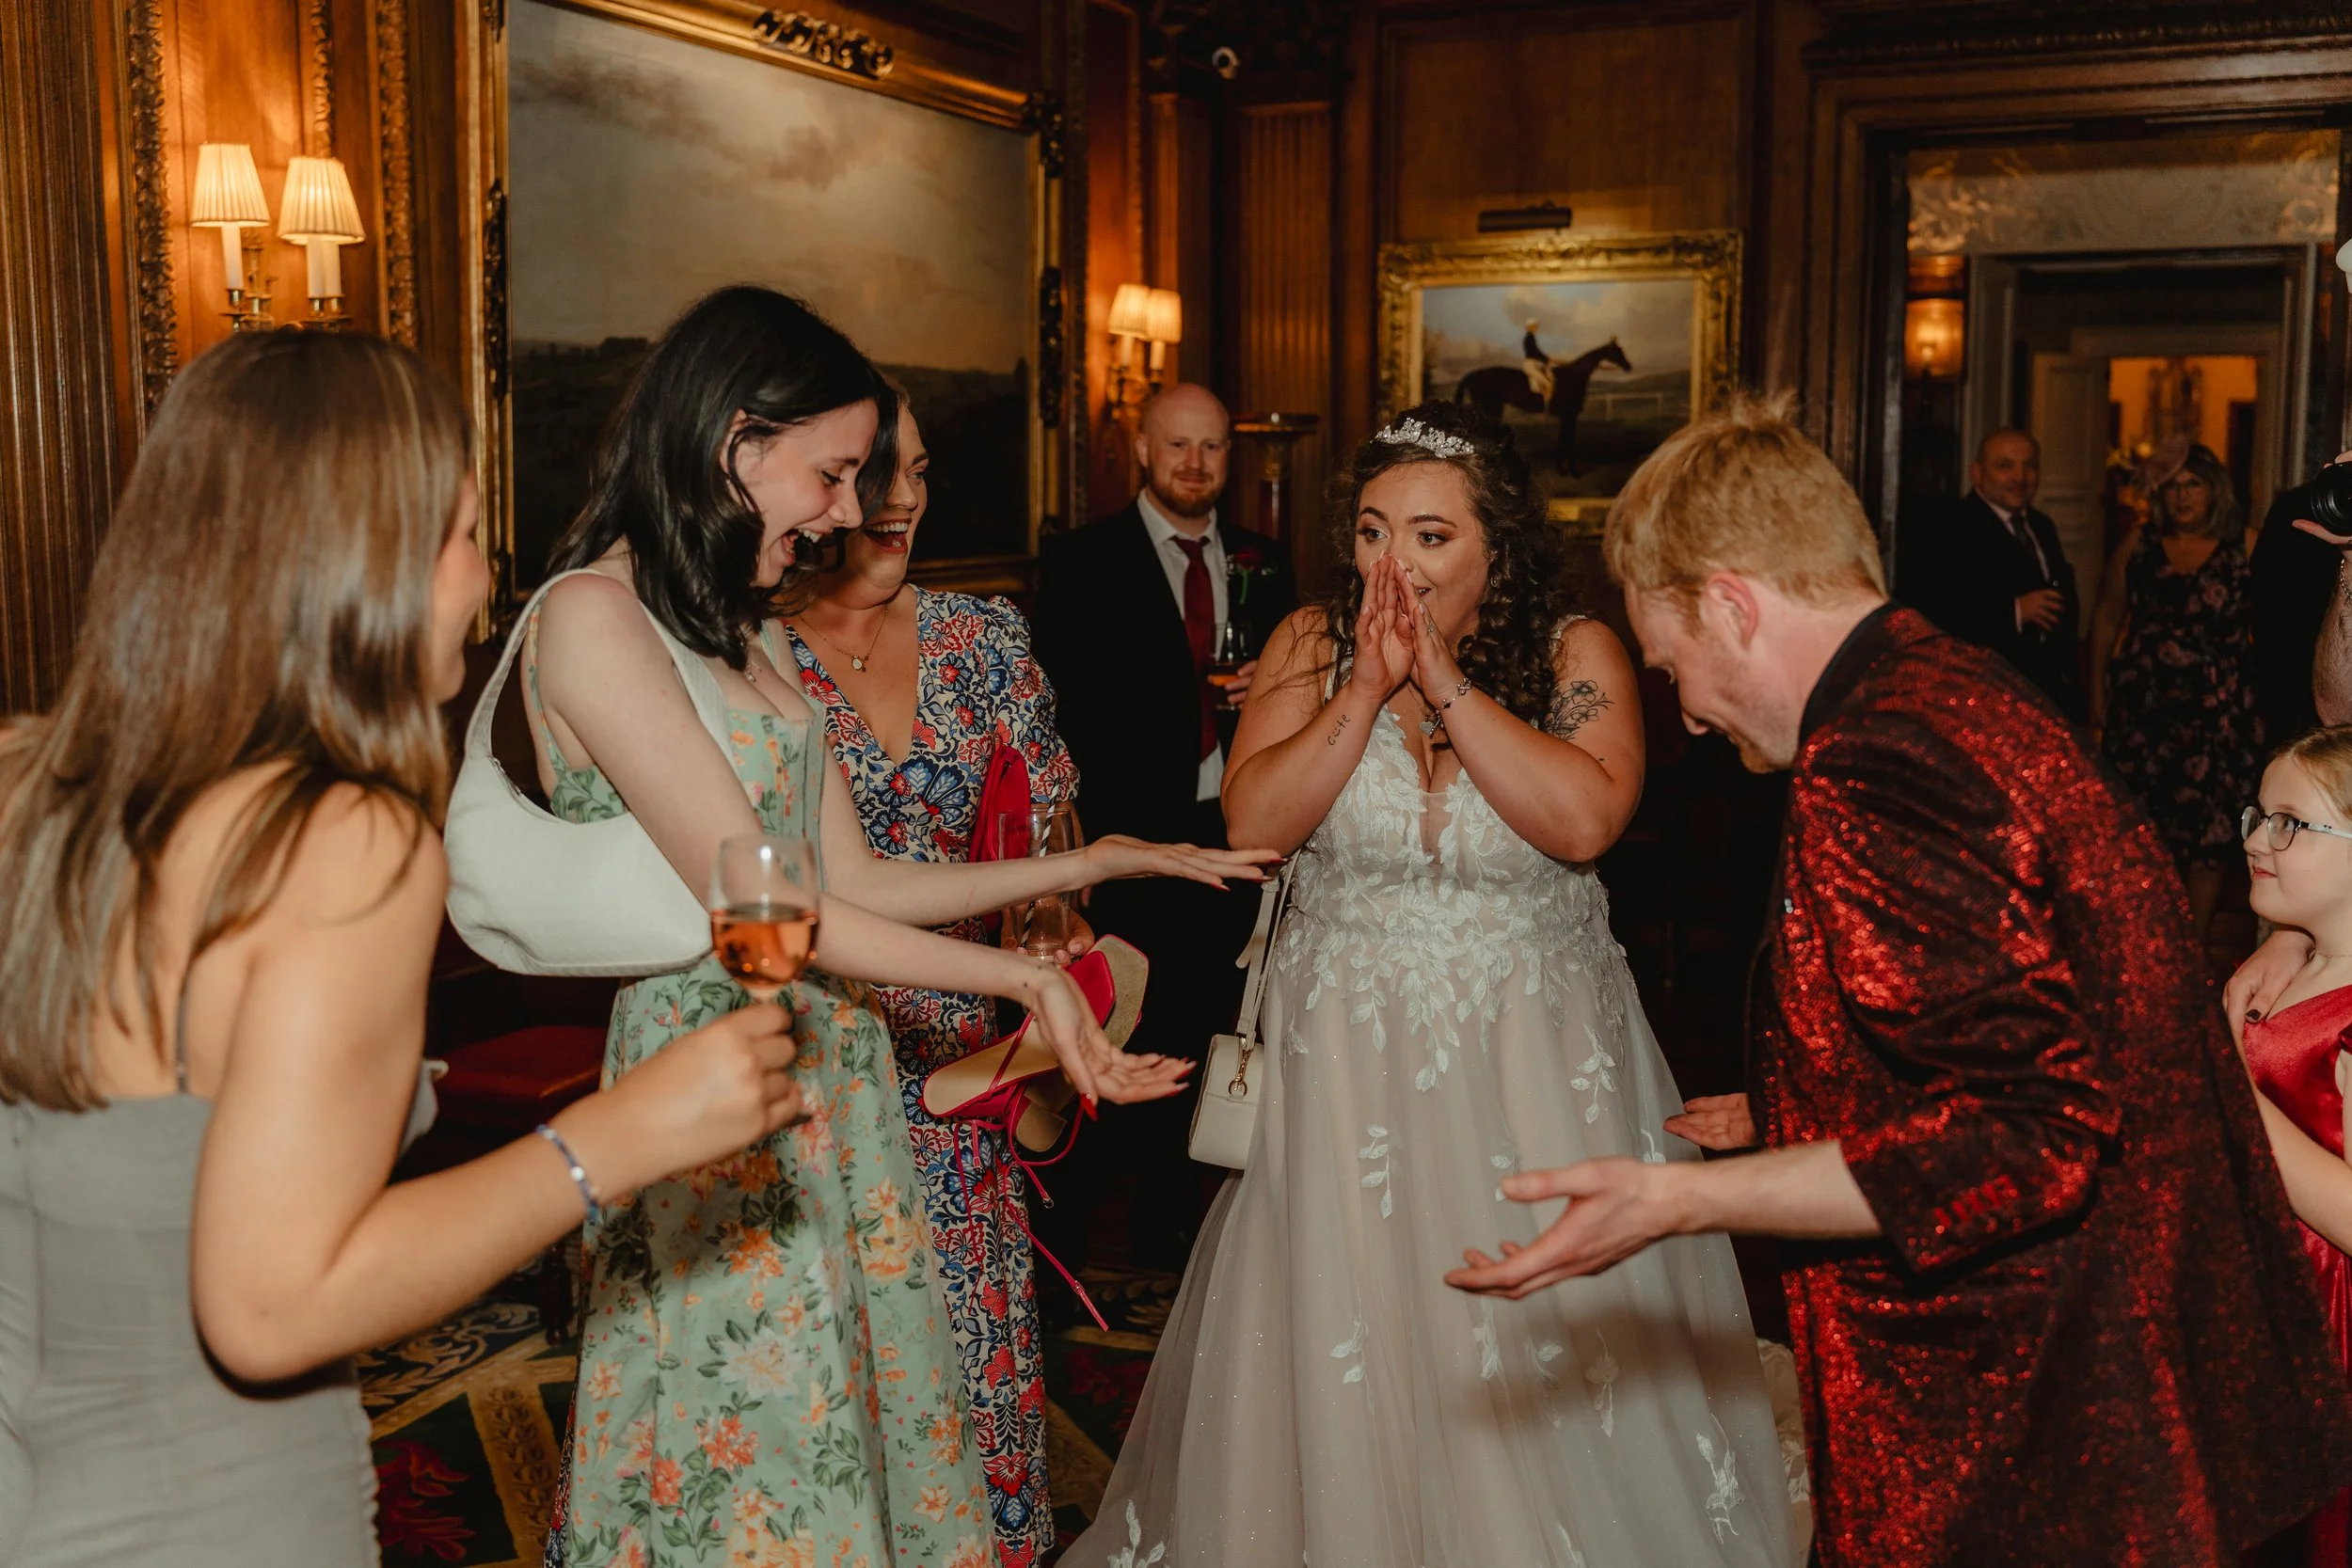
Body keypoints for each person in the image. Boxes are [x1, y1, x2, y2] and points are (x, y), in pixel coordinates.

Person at [1448, 392, 2352, 1565]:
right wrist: (1803, 1113)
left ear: (1731, 604)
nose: (1687, 710)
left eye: (1676, 667)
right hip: (2124, 1397)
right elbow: (2036, 1017)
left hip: (2024, 1424)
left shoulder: (1879, 758)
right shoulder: (1951, 686)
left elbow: (2031, 1134)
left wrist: (1679, 1201)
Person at [0, 331, 807, 1567]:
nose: (484, 580)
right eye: (464, 533)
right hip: (218, 1510)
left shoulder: (31, 785)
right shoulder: (344, 836)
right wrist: (622, 1131)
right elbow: (268, 1303)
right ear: (358, 557)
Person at [513, 287, 1263, 1565]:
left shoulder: (736, 622)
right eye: (834, 471)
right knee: (747, 1455)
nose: (850, 513)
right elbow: (780, 907)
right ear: (736, 439)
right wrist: (1029, 988)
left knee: (864, 1443)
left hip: (835, 1081)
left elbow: (855, 880)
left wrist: (1097, 854)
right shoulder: (595, 615)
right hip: (717, 1088)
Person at [1072, 404, 1794, 1567]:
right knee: (1349, 1316)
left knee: (1531, 1329)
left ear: (1493, 547)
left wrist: (1444, 680)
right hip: (1345, 1052)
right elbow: (1254, 820)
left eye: (1428, 536)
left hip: (1529, 1051)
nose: (1390, 563)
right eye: (1370, 531)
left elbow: (1584, 817)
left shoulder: (1573, 650)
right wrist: (1363, 689)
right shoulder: (1311, 640)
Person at [780, 389, 1080, 1566]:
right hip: (807, 1062)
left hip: (962, 1063)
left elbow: (1047, 830)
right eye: (872, 472)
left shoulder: (983, 637)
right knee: (822, 1374)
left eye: (918, 470)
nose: (901, 497)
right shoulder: (748, 653)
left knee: (966, 1359)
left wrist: (1055, 920)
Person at [1031, 383, 1295, 1274]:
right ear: (1141, 451)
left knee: (1209, 1035)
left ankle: (1172, 1247)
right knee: (1112, 1035)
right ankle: (1068, 1252)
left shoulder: (1267, 561)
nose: (1195, 463)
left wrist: (1272, 687)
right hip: (1128, 843)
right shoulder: (1079, 562)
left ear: (1230, 455)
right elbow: (1058, 719)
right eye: (1177, 445)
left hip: (1234, 836)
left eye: (1212, 447)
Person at [2233, 727, 2352, 1565]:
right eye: (2255, 814)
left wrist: (2227, 1099)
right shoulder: (2291, 965)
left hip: (2324, 1326)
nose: (2251, 839)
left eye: (2287, 823)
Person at [2089, 440, 2261, 945]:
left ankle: (2192, 942)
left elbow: (2276, 627)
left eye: (2194, 484)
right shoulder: (2137, 544)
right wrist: (2097, 689)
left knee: (2210, 832)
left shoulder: (2246, 545)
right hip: (2145, 710)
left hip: (2219, 711)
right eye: (2173, 486)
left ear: (2215, 491)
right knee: (2141, 826)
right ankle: (2140, 940)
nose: (2183, 497)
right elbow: (2105, 614)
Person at [1897, 428, 2081, 718]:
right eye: (2005, 466)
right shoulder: (1948, 528)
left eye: (2030, 466)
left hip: (2042, 694)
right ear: (1977, 473)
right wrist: (2015, 611)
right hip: (1981, 695)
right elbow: (1935, 610)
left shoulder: (2042, 526)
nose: (2020, 478)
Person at [1522, 318, 1555, 401]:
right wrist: (1546, 358)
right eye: (1534, 326)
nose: (1537, 328)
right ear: (1530, 327)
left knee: (1549, 375)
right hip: (1530, 364)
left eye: (1536, 326)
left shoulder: (1531, 337)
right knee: (1548, 384)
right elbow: (1534, 352)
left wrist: (1545, 359)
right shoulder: (1529, 338)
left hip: (1533, 362)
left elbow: (1536, 352)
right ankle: (1546, 402)